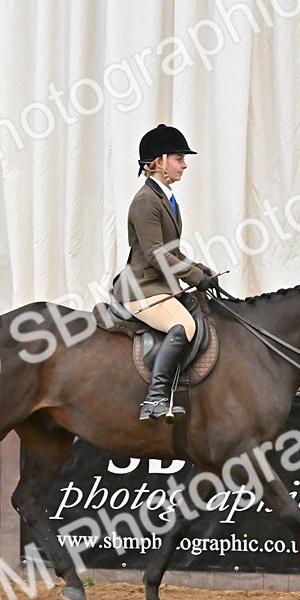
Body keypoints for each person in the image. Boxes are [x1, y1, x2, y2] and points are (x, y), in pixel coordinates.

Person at [111, 124, 218, 421]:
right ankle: (155, 399)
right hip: (141, 289)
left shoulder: (166, 199)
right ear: (158, 162)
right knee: (183, 326)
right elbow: (157, 255)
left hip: (160, 286)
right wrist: (195, 278)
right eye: (179, 158)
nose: (184, 165)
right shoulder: (146, 201)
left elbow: (172, 251)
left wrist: (201, 271)